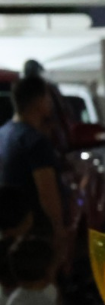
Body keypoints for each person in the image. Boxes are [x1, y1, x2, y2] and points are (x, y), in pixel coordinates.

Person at [0, 76, 66, 263]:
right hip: (34, 234)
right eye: (48, 97)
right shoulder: (35, 142)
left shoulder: (3, 134)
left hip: (9, 229)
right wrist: (58, 230)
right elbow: (47, 193)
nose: (50, 103)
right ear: (40, 101)